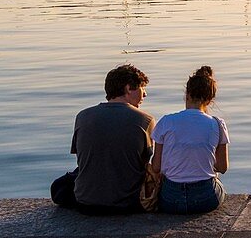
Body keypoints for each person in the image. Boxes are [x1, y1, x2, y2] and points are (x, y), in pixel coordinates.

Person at [51, 64, 154, 214]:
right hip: (128, 203)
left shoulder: (83, 116)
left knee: (62, 183)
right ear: (128, 88)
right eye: (142, 88)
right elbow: (144, 162)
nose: (145, 94)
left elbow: (82, 159)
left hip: (86, 203)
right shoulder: (145, 120)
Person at [151, 66, 230, 214]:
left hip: (170, 199)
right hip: (206, 199)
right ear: (210, 99)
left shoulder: (166, 121)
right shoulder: (217, 124)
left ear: (187, 94)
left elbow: (156, 167)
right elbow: (222, 167)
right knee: (217, 182)